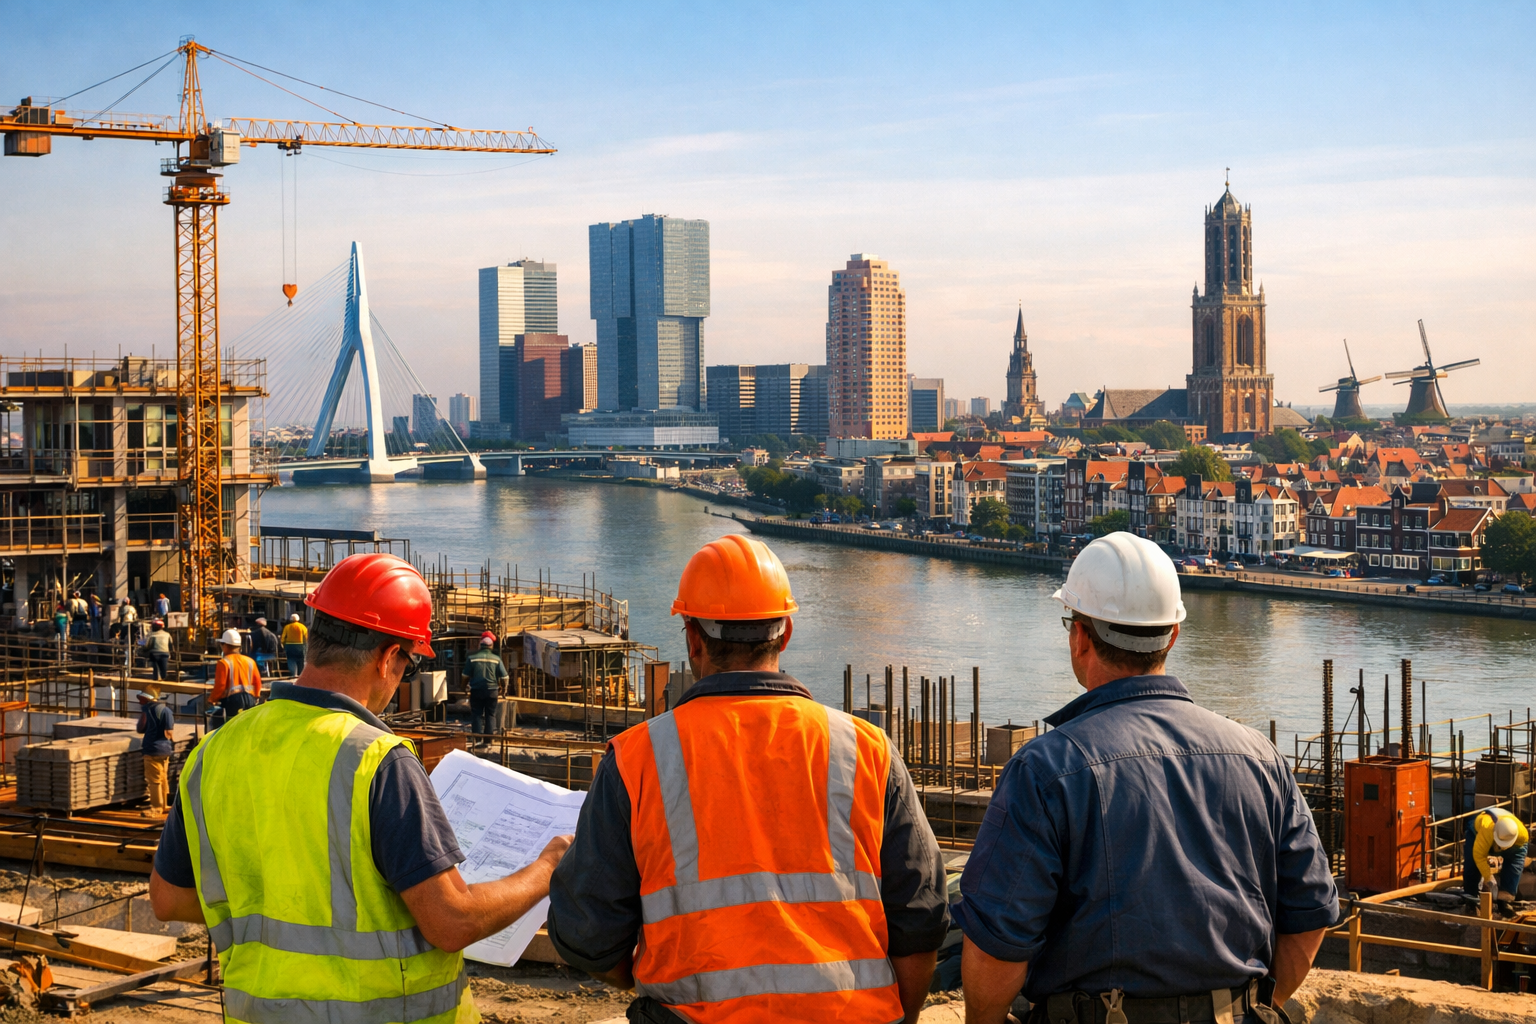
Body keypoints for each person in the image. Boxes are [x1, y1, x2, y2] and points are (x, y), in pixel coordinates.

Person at [150, 552, 570, 1023]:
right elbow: (453, 922)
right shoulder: (375, 759)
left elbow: (170, 899)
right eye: (408, 664)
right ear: (389, 656)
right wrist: (547, 867)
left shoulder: (215, 752)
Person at [548, 534, 949, 1024]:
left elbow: (587, 932)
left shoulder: (639, 759)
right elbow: (921, 916)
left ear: (694, 639)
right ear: (785, 634)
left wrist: (652, 985)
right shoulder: (866, 750)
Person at [956, 532, 1339, 1024]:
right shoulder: (1259, 757)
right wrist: (1247, 1007)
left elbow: (997, 948)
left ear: (1079, 637)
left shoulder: (1046, 770)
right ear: (1172, 635)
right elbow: (1309, 918)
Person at [1464, 806, 1528, 904]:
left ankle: (1506, 896)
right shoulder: (1486, 829)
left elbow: (1519, 855)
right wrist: (1488, 877)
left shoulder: (1522, 835)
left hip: (1508, 840)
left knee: (1517, 856)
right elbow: (1479, 856)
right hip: (1478, 833)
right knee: (1472, 864)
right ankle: (1470, 897)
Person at [136, 686, 176, 818]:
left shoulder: (147, 710)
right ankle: (164, 805)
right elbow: (169, 732)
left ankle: (156, 807)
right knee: (163, 778)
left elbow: (141, 728)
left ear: (146, 699)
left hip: (152, 749)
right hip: (165, 749)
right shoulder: (166, 711)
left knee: (154, 780)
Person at [209, 628, 262, 726]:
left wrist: (212, 699)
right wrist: (256, 697)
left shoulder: (223, 663)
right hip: (250, 700)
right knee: (247, 727)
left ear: (225, 646)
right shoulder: (250, 661)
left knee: (231, 727)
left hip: (232, 702)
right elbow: (257, 683)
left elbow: (220, 686)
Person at [464, 632, 508, 745]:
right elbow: (505, 677)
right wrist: (504, 689)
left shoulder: (472, 658)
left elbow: (464, 676)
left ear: (480, 646)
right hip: (492, 691)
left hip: (476, 691)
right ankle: (488, 741)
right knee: (490, 715)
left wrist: (463, 688)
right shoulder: (497, 659)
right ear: (491, 646)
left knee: (477, 714)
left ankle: (477, 740)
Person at [281, 612, 308, 676]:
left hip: (289, 646)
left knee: (291, 660)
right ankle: (300, 674)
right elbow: (306, 637)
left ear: (291, 619)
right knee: (301, 660)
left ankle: (293, 674)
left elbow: (283, 638)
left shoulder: (287, 627)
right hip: (300, 646)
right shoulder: (303, 627)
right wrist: (306, 645)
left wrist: (283, 645)